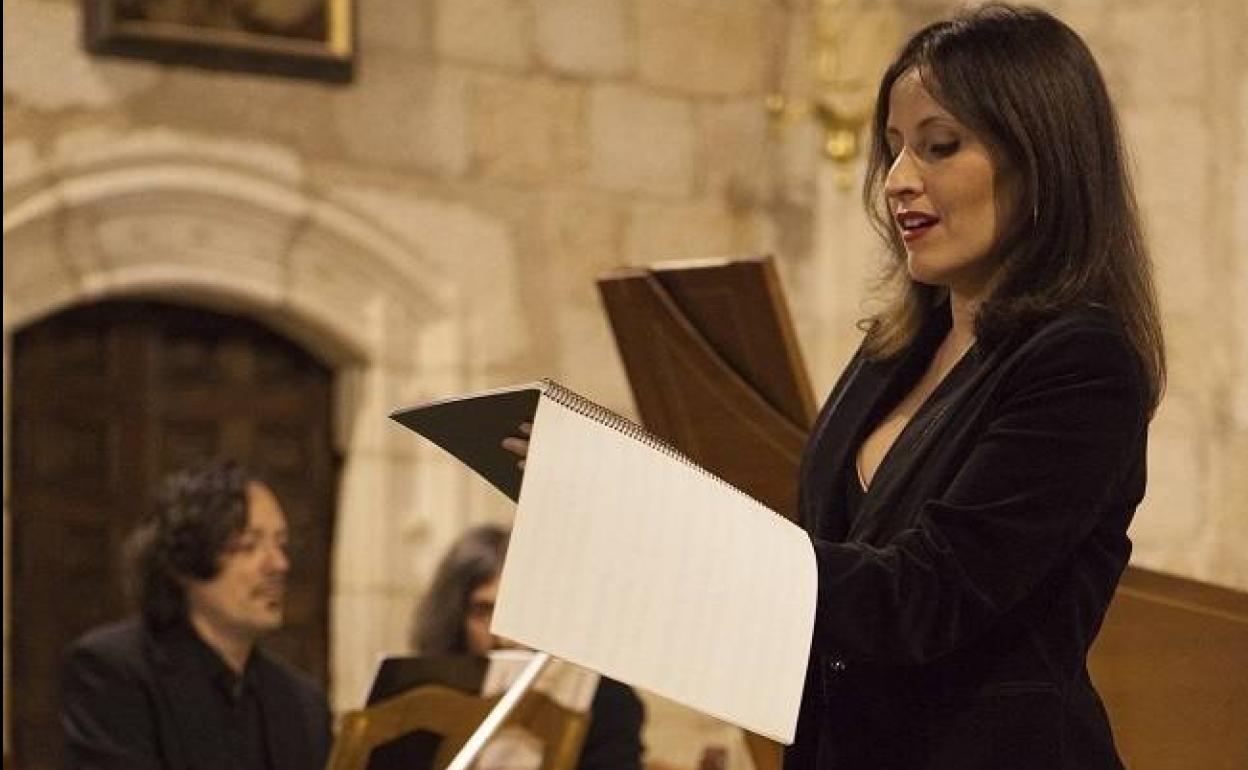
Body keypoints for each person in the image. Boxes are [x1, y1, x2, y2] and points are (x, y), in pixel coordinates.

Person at [506, 5, 1163, 769]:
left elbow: (922, 600)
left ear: (1042, 160)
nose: (899, 182)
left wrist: (660, 520)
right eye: (894, 149)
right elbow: (824, 571)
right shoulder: (894, 349)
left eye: (940, 146)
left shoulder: (1082, 363)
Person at [61, 459, 332, 770]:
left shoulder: (302, 702)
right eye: (248, 546)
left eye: (281, 544)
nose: (279, 564)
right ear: (186, 559)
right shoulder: (113, 671)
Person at [411, 524, 646, 770]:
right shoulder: (425, 692)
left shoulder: (608, 702)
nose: (501, 635)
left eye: (515, 610)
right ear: (455, 616)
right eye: (483, 611)